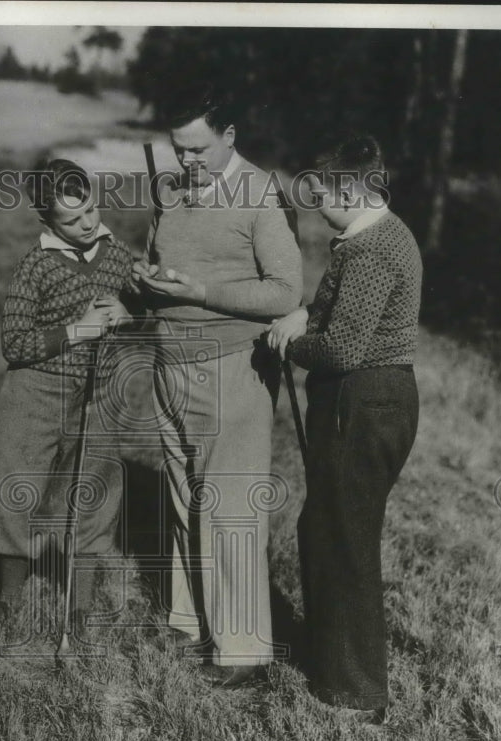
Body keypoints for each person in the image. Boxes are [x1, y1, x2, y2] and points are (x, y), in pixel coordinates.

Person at [133, 86, 303, 688]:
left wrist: (200, 294)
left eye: (199, 150)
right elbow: (166, 256)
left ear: (229, 137)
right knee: (184, 496)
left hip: (234, 366)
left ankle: (243, 653)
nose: (188, 163)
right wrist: (145, 279)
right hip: (169, 359)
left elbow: (285, 292)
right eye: (179, 151)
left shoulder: (261, 195)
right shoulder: (173, 189)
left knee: (230, 506)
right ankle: (190, 619)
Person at [267, 133, 422, 722]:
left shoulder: (373, 248)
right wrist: (305, 311)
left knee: (347, 540)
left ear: (353, 191)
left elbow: (343, 347)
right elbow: (339, 308)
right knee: (327, 527)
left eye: (323, 195)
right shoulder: (369, 236)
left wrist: (289, 339)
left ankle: (357, 693)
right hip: (369, 400)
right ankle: (332, 664)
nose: (314, 205)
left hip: (364, 402)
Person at [0, 158, 137, 631]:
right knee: (14, 485)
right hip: (36, 390)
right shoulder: (35, 266)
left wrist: (131, 310)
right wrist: (76, 329)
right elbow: (14, 342)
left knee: (95, 487)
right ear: (46, 220)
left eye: (91, 209)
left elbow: (143, 297)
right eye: (72, 219)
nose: (88, 223)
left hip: (100, 390)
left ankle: (81, 600)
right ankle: (9, 595)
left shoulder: (117, 254)